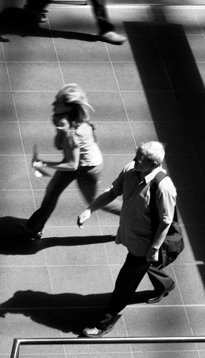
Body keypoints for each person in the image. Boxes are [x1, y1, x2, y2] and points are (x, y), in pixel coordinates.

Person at [77, 141, 177, 337]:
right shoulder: (131, 170)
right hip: (131, 236)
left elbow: (166, 221)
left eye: (139, 157)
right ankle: (165, 285)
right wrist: (90, 209)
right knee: (143, 267)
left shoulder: (163, 186)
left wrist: (154, 248)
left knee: (124, 284)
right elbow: (113, 191)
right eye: (136, 153)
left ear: (153, 163)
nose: (134, 159)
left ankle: (104, 323)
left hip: (145, 245)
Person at [18, 84, 103, 239]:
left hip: (87, 168)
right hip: (78, 161)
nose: (53, 104)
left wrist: (43, 164)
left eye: (58, 102)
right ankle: (33, 228)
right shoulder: (64, 121)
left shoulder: (72, 132)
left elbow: (72, 165)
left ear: (67, 109)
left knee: (95, 201)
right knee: (51, 193)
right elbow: (60, 146)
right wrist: (60, 134)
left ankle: (129, 211)